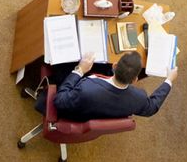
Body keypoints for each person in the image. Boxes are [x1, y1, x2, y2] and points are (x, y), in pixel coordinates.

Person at [48, 51, 176, 121]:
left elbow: (59, 101)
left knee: (61, 69)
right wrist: (169, 80)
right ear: (135, 80)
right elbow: (152, 107)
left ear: (114, 66)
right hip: (99, 112)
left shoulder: (87, 88)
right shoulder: (139, 99)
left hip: (75, 114)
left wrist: (79, 70)